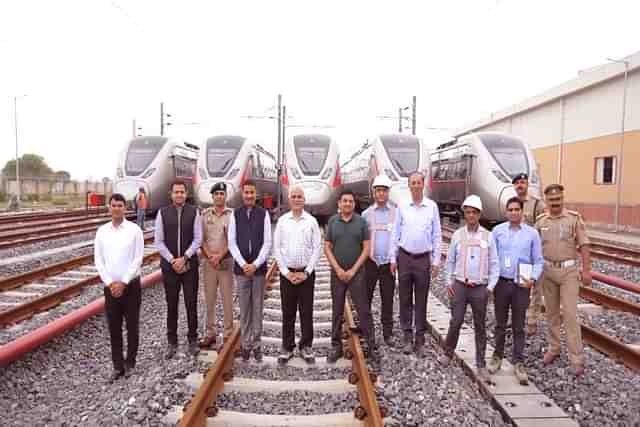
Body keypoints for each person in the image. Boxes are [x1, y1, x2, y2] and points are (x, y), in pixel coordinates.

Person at [439, 195, 498, 383]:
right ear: (464, 214)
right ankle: (448, 353)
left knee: (480, 326)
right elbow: (449, 262)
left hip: (480, 288)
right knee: (455, 321)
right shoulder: (458, 235)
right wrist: (448, 282)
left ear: (479, 214)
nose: (471, 215)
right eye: (468, 212)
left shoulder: (488, 237)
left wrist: (490, 287)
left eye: (474, 212)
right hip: (460, 286)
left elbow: (495, 264)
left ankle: (481, 363)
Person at [536, 184, 591, 377]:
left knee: (570, 315)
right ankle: (554, 348)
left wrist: (587, 270)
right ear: (547, 201)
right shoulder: (541, 221)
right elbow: (534, 245)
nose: (555, 202)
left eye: (558, 199)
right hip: (548, 271)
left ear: (563, 198)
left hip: (569, 272)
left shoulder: (573, 219)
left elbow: (584, 244)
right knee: (551, 313)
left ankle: (576, 358)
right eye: (551, 200)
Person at [488, 197, 544, 385]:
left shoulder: (532, 234)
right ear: (506, 212)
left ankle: (519, 361)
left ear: (522, 211)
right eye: (510, 209)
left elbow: (538, 260)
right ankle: (497, 355)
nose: (513, 212)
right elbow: (491, 257)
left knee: (519, 325)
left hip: (521, 285)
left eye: (516, 209)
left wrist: (533, 279)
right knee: (500, 324)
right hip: (502, 284)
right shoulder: (497, 232)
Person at [390, 172, 441, 357]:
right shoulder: (402, 206)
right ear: (409, 185)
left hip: (422, 259)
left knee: (421, 300)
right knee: (405, 299)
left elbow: (436, 235)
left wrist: (435, 261)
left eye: (419, 182)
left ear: (423, 184)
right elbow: (395, 233)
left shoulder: (432, 207)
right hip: (404, 258)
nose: (416, 186)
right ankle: (406, 336)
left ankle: (420, 339)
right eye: (413, 183)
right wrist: (392, 259)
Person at [94, 193, 144, 383]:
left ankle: (130, 362)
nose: (116, 208)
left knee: (132, 326)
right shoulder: (101, 232)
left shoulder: (135, 230)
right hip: (110, 287)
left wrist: (123, 281)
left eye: (120, 205)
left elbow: (138, 258)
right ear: (109, 207)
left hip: (131, 286)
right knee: (114, 327)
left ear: (125, 208)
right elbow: (98, 260)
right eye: (113, 205)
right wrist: (110, 283)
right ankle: (117, 366)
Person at [273, 186, 322, 364]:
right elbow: (276, 248)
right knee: (288, 312)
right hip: (287, 274)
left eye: (299, 196)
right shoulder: (282, 221)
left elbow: (318, 248)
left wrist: (307, 272)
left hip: (306, 274)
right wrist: (285, 272)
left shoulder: (311, 221)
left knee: (306, 311)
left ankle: (306, 346)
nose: (296, 199)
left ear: (304, 199)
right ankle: (287, 347)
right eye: (293, 196)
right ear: (289, 199)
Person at [155, 180, 203, 358]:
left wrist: (184, 258)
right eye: (176, 192)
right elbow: (158, 241)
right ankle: (172, 342)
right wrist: (172, 260)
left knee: (191, 303)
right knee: (171, 305)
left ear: (186, 193)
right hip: (170, 268)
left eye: (182, 192)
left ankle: (192, 340)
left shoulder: (194, 212)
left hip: (189, 266)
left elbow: (198, 239)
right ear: (171, 194)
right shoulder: (163, 213)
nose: (179, 195)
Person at [325, 189, 374, 363]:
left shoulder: (361, 222)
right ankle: (335, 346)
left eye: (350, 201)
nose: (347, 204)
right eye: (344, 201)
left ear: (354, 204)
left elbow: (366, 248)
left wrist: (353, 270)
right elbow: (327, 247)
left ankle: (370, 345)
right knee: (337, 311)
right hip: (337, 274)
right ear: (339, 203)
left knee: (363, 310)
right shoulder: (332, 222)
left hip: (357, 273)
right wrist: (337, 269)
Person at [228, 179, 272, 362]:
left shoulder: (264, 214)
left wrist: (255, 264)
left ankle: (257, 345)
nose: (249, 196)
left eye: (252, 192)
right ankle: (245, 344)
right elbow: (232, 241)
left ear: (256, 194)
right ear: (242, 193)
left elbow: (268, 242)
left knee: (257, 308)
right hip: (241, 271)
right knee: (245, 309)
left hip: (259, 270)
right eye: (246, 192)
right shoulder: (235, 215)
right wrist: (243, 263)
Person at [362, 175, 397, 347]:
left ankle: (387, 333)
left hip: (388, 264)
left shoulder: (396, 213)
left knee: (387, 298)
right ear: (374, 193)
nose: (381, 194)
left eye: (384, 190)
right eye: (378, 190)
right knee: (366, 297)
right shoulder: (366, 214)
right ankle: (366, 330)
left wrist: (395, 259)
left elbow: (398, 238)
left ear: (388, 192)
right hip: (370, 262)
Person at [199, 182, 234, 350]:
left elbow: (233, 239)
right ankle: (210, 333)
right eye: (216, 194)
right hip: (209, 264)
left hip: (226, 263)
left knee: (227, 299)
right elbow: (201, 239)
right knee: (210, 299)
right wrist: (211, 257)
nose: (219, 196)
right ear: (212, 197)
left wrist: (220, 256)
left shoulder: (232, 215)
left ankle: (227, 334)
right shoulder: (205, 215)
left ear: (225, 196)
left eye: (222, 194)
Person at [513, 172, 546, 336]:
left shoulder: (537, 204)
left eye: (523, 182)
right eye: (517, 183)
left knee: (536, 289)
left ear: (527, 184)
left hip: (533, 253)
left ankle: (532, 320)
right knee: (520, 288)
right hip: (519, 254)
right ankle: (518, 319)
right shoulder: (512, 203)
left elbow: (544, 227)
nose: (520, 185)